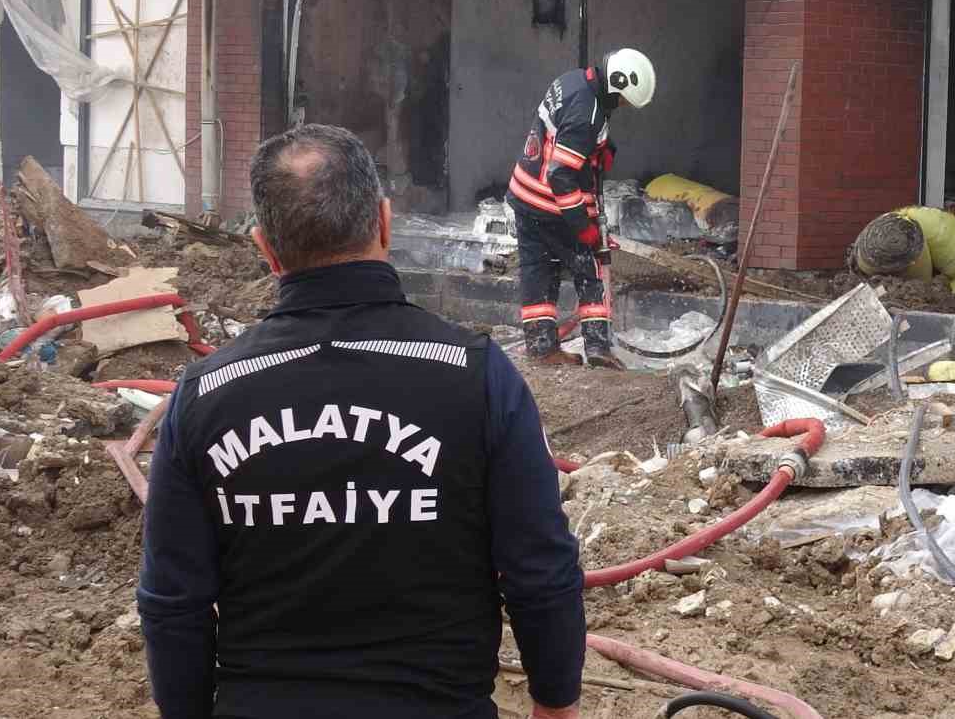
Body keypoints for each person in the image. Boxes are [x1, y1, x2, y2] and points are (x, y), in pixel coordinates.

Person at [138, 124, 585, 719]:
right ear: (383, 222)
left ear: (265, 248)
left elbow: (173, 602)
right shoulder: (475, 377)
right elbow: (540, 567)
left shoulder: (206, 396)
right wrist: (555, 701)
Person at [507, 49, 656, 368]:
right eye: (626, 101)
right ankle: (598, 348)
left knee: (537, 270)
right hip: (552, 204)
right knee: (589, 268)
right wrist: (584, 227)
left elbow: (561, 139)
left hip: (525, 192)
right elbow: (561, 174)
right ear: (619, 86)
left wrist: (601, 149)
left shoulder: (572, 81)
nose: (624, 106)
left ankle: (543, 348)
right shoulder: (588, 113)